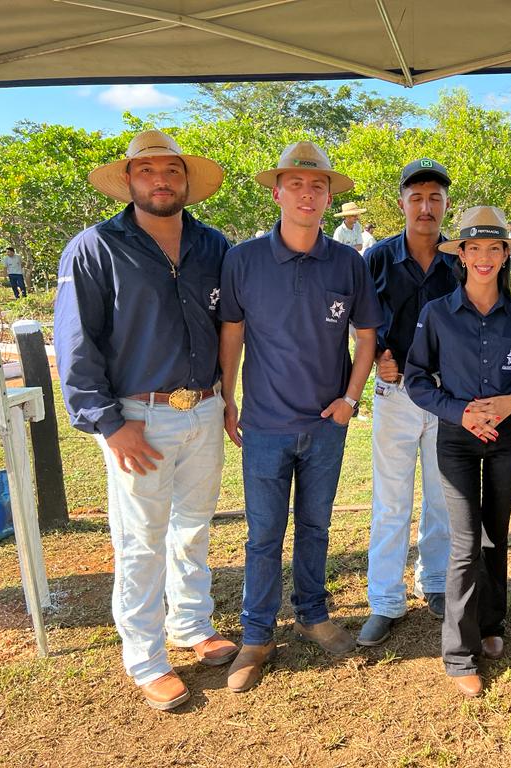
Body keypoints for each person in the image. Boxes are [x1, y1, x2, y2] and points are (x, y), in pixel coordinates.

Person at [55, 129, 235, 711]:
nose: (161, 180)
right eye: (148, 171)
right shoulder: (96, 247)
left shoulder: (212, 245)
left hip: (204, 406)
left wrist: (227, 397)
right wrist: (109, 423)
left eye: (172, 171)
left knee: (194, 527)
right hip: (138, 416)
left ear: (186, 181)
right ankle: (146, 657)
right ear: (129, 180)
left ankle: (191, 622)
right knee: (140, 540)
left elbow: (230, 325)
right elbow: (76, 341)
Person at [219, 141, 382, 692]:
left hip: (325, 426)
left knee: (315, 526)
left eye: (317, 186)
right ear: (277, 193)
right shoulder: (243, 260)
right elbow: (232, 332)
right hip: (264, 425)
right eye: (296, 184)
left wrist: (350, 399)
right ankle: (257, 636)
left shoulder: (348, 262)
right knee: (263, 535)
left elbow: (366, 336)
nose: (307, 194)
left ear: (329, 197)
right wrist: (228, 397)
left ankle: (313, 615)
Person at [405, 205, 511, 698]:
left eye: (494, 248)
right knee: (465, 543)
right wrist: (460, 412)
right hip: (458, 441)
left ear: (506, 254)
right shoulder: (437, 314)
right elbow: (416, 379)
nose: (484, 257)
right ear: (461, 255)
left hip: (507, 441)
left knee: (495, 534)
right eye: (475, 248)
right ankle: (458, 654)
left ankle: (491, 622)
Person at [358, 158, 455, 647]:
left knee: (442, 497)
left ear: (446, 205)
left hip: (446, 395)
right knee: (391, 500)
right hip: (394, 395)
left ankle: (434, 582)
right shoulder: (376, 258)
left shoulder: (460, 257)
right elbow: (361, 320)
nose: (425, 207)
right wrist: (379, 353)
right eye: (416, 197)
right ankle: (384, 600)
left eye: (435, 198)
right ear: (401, 204)